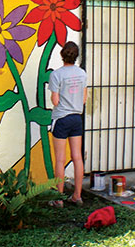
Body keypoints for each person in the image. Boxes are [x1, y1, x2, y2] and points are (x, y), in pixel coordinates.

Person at [48, 41, 87, 208]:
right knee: (77, 157)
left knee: (59, 159)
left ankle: (58, 198)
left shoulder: (56, 75)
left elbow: (55, 101)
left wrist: (55, 99)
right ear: (76, 56)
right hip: (76, 118)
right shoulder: (82, 73)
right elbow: (84, 99)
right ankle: (77, 196)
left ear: (62, 55)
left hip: (61, 119)